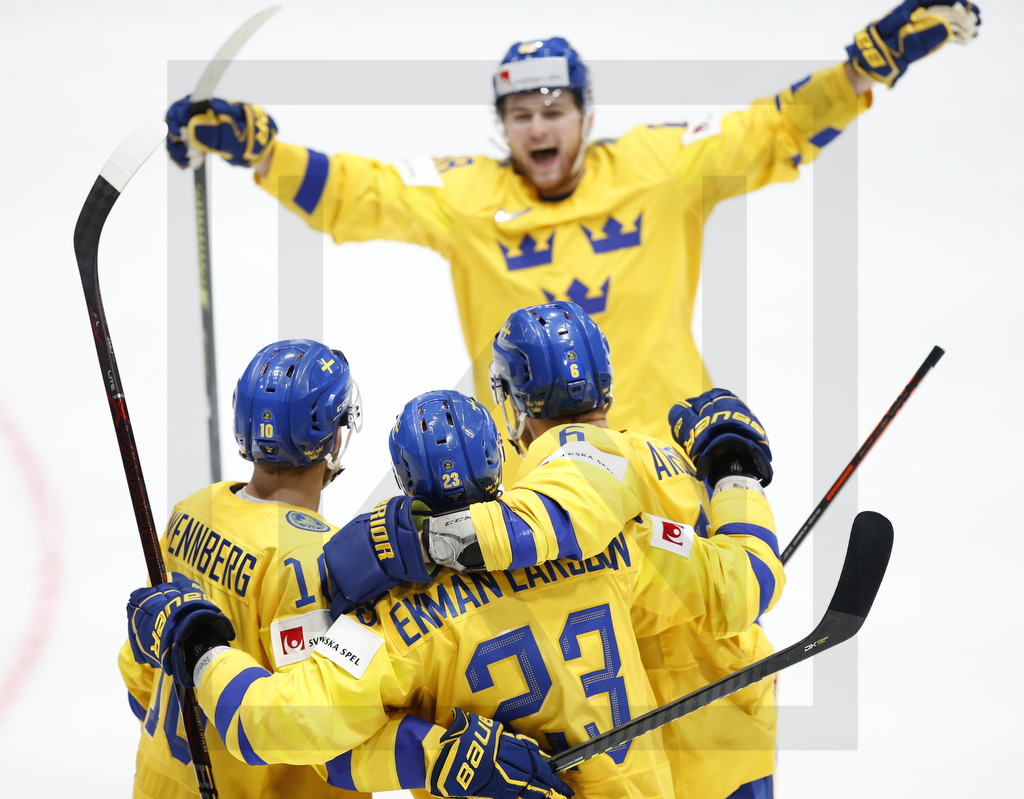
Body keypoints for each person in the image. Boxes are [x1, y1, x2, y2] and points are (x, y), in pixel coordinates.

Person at [163, 2, 979, 457]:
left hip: (665, 454)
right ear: (503, 126)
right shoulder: (469, 196)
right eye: (520, 113)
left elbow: (774, 132)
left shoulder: (660, 169)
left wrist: (864, 68)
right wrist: (263, 153)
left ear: (586, 115)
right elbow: (359, 193)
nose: (538, 126)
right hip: (532, 472)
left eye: (554, 108)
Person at [125, 302, 784, 799]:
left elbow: (294, 734)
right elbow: (746, 581)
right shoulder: (617, 547)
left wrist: (199, 650)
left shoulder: (390, 620)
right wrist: (736, 476)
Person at [329, 301, 786, 799]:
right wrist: (735, 472)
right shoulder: (666, 457)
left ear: (513, 398)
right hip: (740, 720)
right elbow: (749, 582)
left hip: (666, 755)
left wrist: (418, 542)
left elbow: (556, 514)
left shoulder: (570, 467)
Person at [118, 338, 372, 799]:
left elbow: (140, 663)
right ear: (334, 438)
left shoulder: (194, 509)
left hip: (159, 782)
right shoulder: (315, 560)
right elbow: (315, 725)